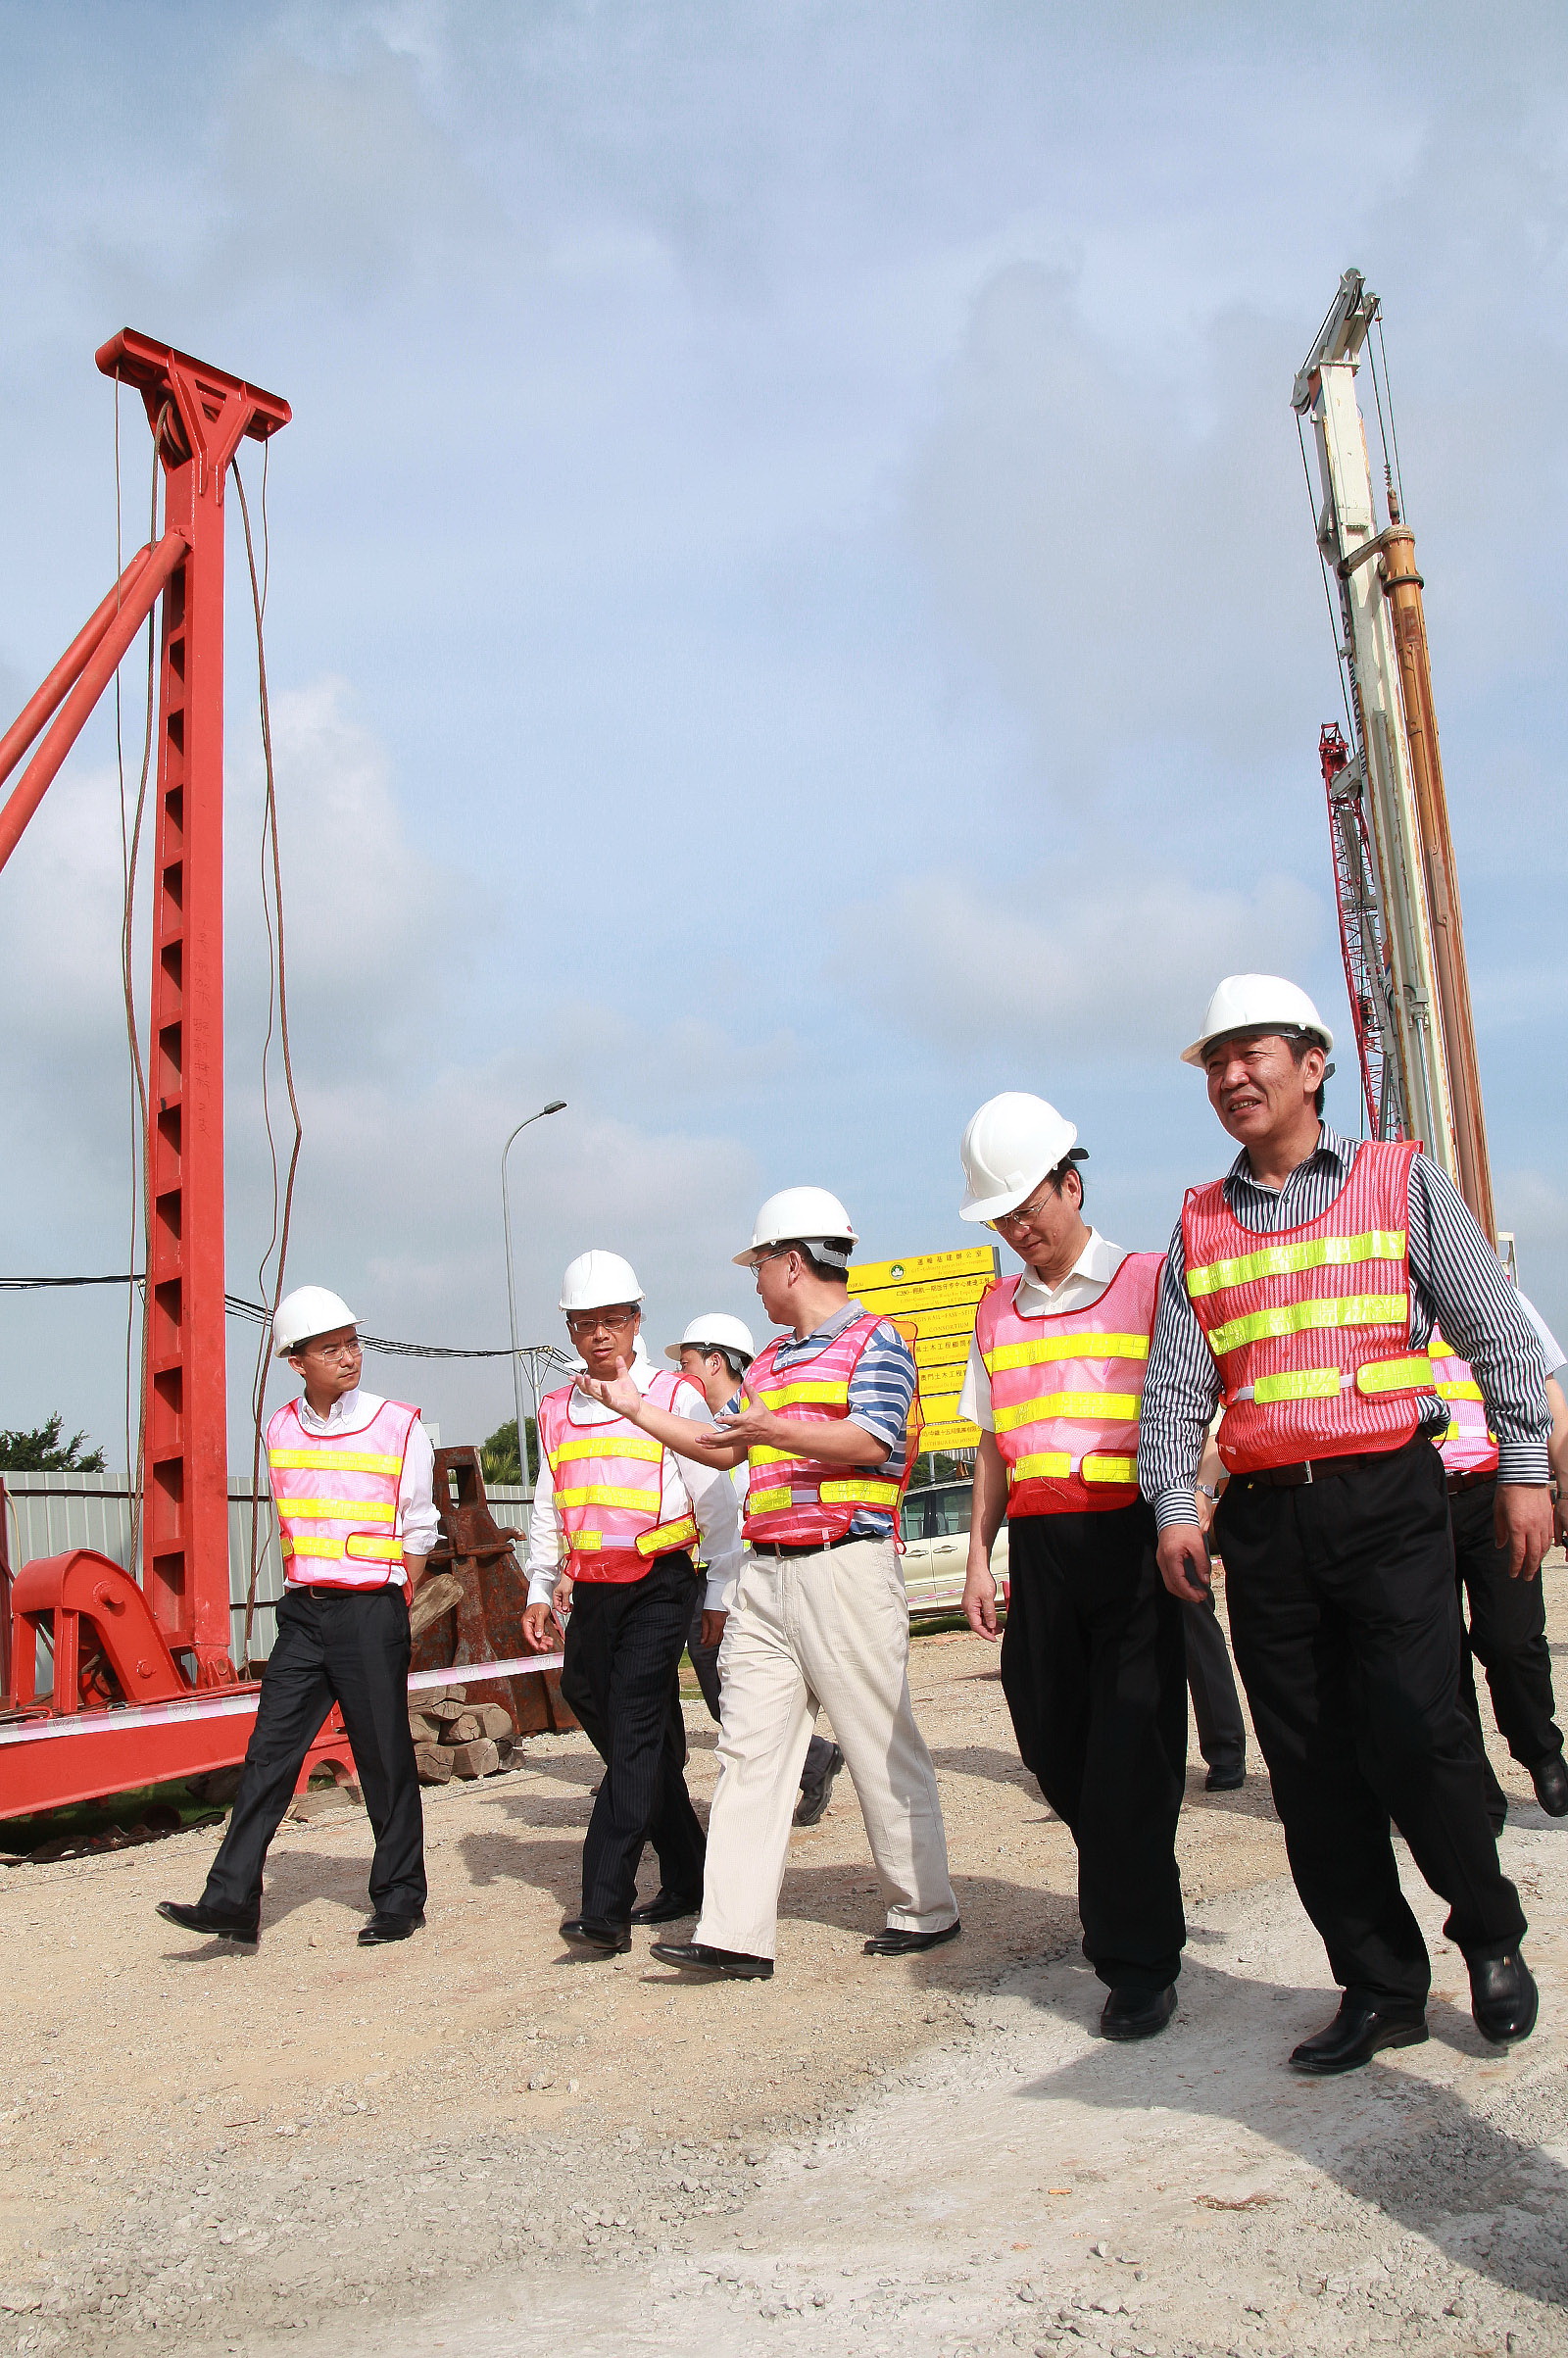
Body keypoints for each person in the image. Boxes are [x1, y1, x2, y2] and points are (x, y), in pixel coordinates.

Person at [1141, 974, 1552, 2076]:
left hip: (1389, 1501)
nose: (1232, 1077)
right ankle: (1379, 1985)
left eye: (1252, 1053)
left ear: (1312, 1063)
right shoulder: (1198, 1221)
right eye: (1216, 1062)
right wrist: (1176, 1505)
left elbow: (1496, 1331)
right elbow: (1175, 1387)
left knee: (1419, 1730)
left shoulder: (1396, 1178)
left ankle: (1490, 1937)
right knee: (1311, 1765)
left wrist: (1525, 1471)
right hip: (1267, 1526)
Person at [578, 1187, 959, 1980]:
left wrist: (773, 1429)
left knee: (879, 1743)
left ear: (791, 1262)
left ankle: (925, 1908)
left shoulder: (877, 1340)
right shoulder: (778, 1360)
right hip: (767, 1573)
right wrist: (634, 1409)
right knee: (748, 1753)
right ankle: (734, 1933)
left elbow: (873, 1439)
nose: (753, 1282)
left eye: (757, 1265)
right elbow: (724, 1447)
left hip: (844, 1567)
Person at [956, 1093, 1187, 2039]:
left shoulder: (1150, 1282)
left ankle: (1138, 1965)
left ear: (1073, 1185)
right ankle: (1134, 1870)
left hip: (1132, 1542)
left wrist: (1192, 1509)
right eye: (1003, 1220)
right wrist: (978, 1555)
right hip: (1042, 1551)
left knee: (1130, 1756)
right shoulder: (994, 1309)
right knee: (1054, 1744)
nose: (1021, 1232)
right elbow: (992, 1444)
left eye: (1031, 1209)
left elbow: (1195, 1405)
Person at [159, 1287, 438, 1948]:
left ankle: (400, 1899)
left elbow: (419, 1530)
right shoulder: (278, 1428)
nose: (349, 1357)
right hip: (304, 1616)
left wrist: (389, 1605)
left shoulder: (398, 1425)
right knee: (268, 1756)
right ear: (297, 1361)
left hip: (371, 1610)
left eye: (352, 1343)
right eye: (331, 1348)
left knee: (383, 1757)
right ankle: (230, 1901)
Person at [520, 1253, 741, 1955]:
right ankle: (690, 1871)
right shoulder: (557, 1409)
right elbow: (549, 1501)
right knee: (593, 1700)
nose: (599, 1333)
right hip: (593, 1588)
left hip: (661, 1581)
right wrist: (539, 1583)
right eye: (584, 1322)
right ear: (570, 1329)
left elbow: (716, 1497)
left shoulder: (672, 1395)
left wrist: (720, 1588)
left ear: (637, 1321)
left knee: (638, 1726)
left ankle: (603, 1906)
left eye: (612, 1319)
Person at [667, 1314, 845, 1827]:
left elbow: (731, 1508)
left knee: (735, 1690)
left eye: (686, 1363)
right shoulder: (709, 1423)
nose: (679, 1374)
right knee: (727, 1690)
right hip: (723, 1574)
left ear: (715, 1362)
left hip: (746, 1574)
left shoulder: (752, 1421)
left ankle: (809, 1761)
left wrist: (719, 1590)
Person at [1437, 1296, 1568, 1825]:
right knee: (1438, 1656)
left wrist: (1561, 1484)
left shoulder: (1499, 1296)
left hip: (1498, 1490)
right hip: (1412, 1500)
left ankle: (1539, 1747)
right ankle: (1475, 1790)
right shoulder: (1374, 1290)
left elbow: (1548, 1399)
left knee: (1511, 1640)